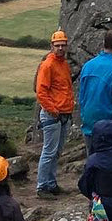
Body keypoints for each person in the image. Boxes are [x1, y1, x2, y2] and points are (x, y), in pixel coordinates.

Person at [35, 29, 74, 197]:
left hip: (63, 113)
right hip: (53, 115)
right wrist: (54, 111)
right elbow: (41, 92)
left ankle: (51, 183)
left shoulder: (63, 64)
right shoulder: (48, 65)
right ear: (51, 46)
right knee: (49, 151)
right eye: (57, 45)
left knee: (56, 152)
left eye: (63, 45)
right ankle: (42, 186)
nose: (60, 48)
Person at [77, 29, 112, 139]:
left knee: (91, 156)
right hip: (109, 128)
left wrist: (84, 117)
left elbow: (82, 96)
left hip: (89, 125)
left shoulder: (87, 66)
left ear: (103, 43)